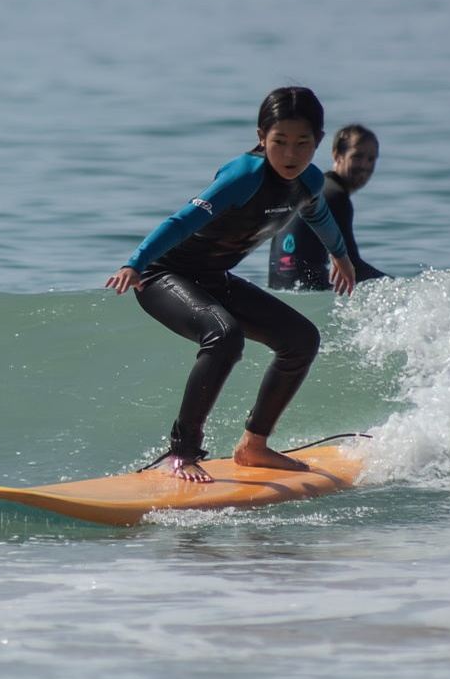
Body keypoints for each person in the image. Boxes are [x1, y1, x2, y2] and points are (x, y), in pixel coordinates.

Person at [105, 87, 354, 482]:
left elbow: (319, 215)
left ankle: (253, 446)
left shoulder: (307, 180)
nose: (291, 154)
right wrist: (135, 263)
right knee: (224, 336)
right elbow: (182, 221)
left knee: (301, 339)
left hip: (213, 278)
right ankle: (181, 453)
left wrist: (340, 256)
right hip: (162, 275)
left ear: (319, 142)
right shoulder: (244, 175)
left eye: (303, 143)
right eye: (280, 143)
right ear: (261, 137)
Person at [268, 124, 389, 290]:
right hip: (309, 297)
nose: (364, 166)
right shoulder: (335, 196)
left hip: (276, 294)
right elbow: (354, 268)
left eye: (371, 159)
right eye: (357, 156)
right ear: (337, 155)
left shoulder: (310, 189)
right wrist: (406, 288)